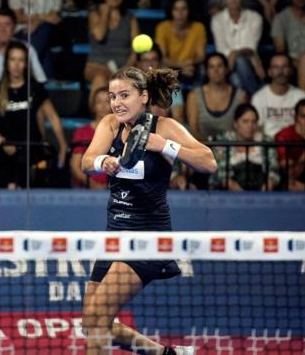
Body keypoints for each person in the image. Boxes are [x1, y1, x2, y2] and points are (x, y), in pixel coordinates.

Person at [80, 66, 217, 355]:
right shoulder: (110, 125)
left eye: (124, 95)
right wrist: (102, 161)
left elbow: (208, 162)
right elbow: (86, 161)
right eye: (112, 96)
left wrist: (164, 146)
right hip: (114, 235)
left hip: (148, 238)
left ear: (143, 96)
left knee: (97, 317)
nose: (116, 102)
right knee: (91, 324)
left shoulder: (165, 127)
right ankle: (167, 354)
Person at [0, 41, 67, 188]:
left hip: (31, 149)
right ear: (6, 63)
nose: (16, 65)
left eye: (21, 60)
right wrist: (1, 140)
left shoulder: (35, 87)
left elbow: (53, 118)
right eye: (13, 59)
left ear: (26, 63)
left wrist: (62, 146)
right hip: (5, 150)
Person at [84, 0, 139, 102]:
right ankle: (98, 118)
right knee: (100, 78)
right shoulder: (95, 13)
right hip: (96, 65)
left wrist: (126, 68)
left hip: (121, 67)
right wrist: (105, 12)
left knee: (120, 81)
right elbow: (99, 35)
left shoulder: (130, 18)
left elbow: (135, 49)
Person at [0, 7, 47, 95]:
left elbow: (39, 81)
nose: (3, 29)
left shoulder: (27, 49)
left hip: (19, 102)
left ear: (14, 28)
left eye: (7, 24)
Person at [211, 0, 265, 96]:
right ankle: (254, 98)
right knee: (235, 75)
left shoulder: (255, 18)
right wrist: (235, 54)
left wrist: (233, 54)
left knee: (240, 64)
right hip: (225, 67)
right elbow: (222, 50)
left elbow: (250, 48)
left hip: (249, 67)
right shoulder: (217, 20)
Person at [211, 103, 280, 191]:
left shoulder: (266, 141)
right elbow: (221, 173)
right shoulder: (223, 141)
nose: (250, 126)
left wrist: (263, 193)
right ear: (236, 124)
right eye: (245, 121)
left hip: (261, 192)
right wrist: (242, 196)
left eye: (254, 122)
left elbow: (273, 171)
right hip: (228, 193)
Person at [8, 0, 63, 77]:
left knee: (44, 30)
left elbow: (54, 16)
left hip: (48, 28)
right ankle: (42, 77)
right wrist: (40, 18)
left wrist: (37, 21)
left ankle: (27, 71)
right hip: (23, 29)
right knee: (37, 43)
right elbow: (17, 17)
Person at [186, 53, 248, 141]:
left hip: (232, 149)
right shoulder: (194, 96)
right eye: (211, 67)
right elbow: (193, 130)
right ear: (206, 71)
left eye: (220, 66)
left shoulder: (240, 96)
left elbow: (242, 130)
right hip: (203, 148)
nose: (216, 70)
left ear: (226, 69)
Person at [252, 53, 305, 138]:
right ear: (269, 72)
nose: (280, 71)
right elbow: (256, 130)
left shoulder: (302, 97)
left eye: (285, 66)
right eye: (276, 67)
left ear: (291, 70)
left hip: (294, 145)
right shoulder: (259, 98)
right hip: (268, 145)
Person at [155, 0, 207, 88]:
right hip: (170, 67)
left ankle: (197, 97)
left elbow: (201, 56)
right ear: (171, 11)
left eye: (184, 9)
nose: (180, 13)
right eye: (176, 9)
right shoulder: (163, 27)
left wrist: (189, 63)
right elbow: (161, 58)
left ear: (189, 10)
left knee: (202, 69)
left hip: (191, 66)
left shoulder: (198, 27)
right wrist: (180, 66)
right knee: (162, 70)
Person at [274, 98, 305, 190]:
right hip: (292, 185)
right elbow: (291, 176)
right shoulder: (284, 136)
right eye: (303, 116)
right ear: (295, 117)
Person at [70, 87, 110, 189]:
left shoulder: (121, 131)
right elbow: (75, 166)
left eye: (107, 101)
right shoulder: (82, 132)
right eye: (99, 102)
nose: (103, 106)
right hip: (85, 189)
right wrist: (92, 184)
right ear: (93, 106)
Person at [135, 44, 185, 123]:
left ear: (160, 62)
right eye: (145, 60)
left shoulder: (171, 85)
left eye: (154, 59)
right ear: (138, 64)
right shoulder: (131, 86)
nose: (150, 64)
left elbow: (178, 117)